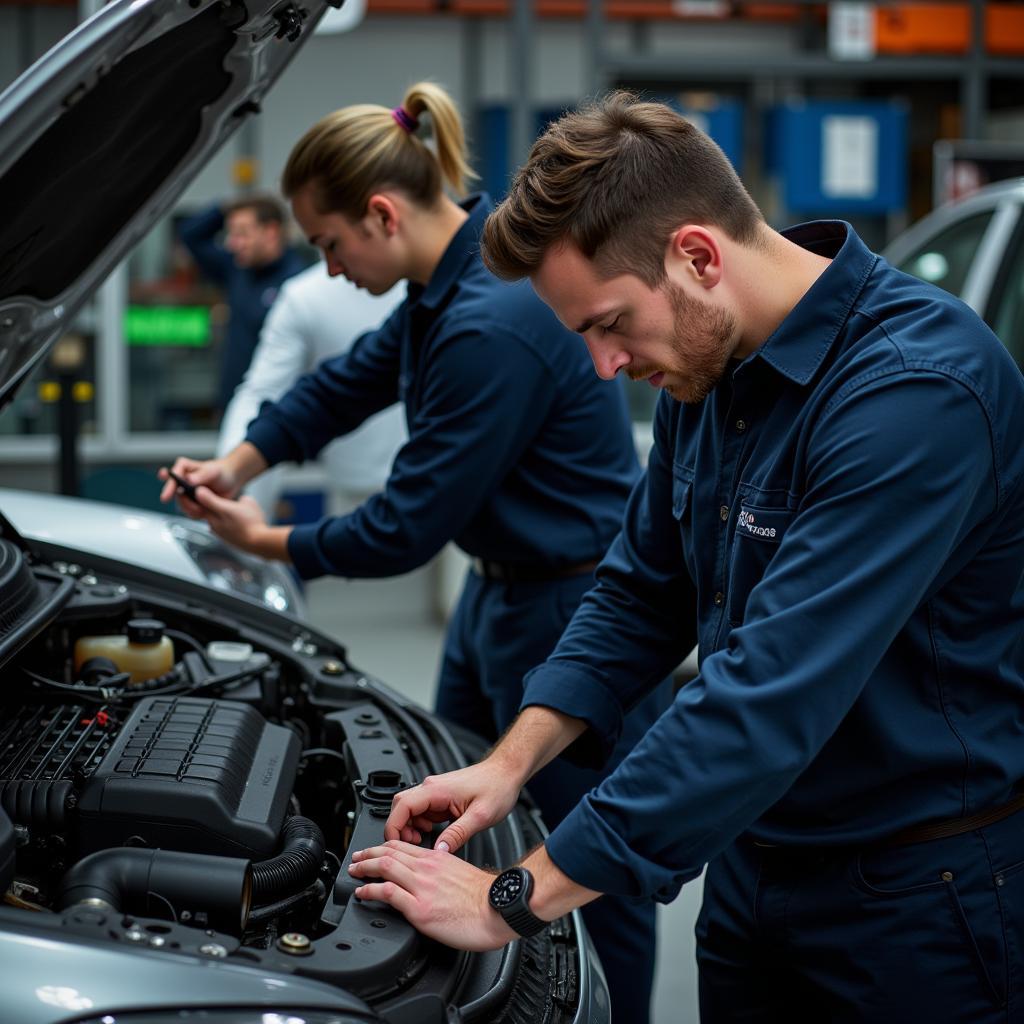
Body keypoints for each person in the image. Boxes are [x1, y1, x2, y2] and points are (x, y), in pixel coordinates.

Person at [348, 93, 1024, 1022]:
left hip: (916, 902)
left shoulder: (917, 395)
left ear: (698, 255)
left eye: (609, 324)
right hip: (752, 870)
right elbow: (639, 590)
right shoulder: (708, 370)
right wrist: (510, 765)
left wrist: (514, 898)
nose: (604, 366)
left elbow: (765, 696)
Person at [159, 83, 669, 1024]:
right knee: (458, 826)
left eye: (329, 241)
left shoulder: (488, 322)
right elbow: (346, 384)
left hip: (568, 613)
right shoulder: (446, 286)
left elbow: (406, 524)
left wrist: (263, 539)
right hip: (499, 601)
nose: (328, 264)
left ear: (382, 213)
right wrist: (238, 462)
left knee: (586, 869)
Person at [217, 263, 406, 520]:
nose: (334, 268)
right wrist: (234, 472)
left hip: (450, 486)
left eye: (332, 243)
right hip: (359, 494)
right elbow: (315, 396)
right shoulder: (306, 296)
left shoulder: (438, 291)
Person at [179, 194, 306, 412]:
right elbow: (190, 235)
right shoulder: (237, 270)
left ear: (271, 232)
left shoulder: (298, 282)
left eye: (242, 234)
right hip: (233, 402)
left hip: (277, 408)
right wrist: (224, 207)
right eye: (231, 234)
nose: (232, 243)